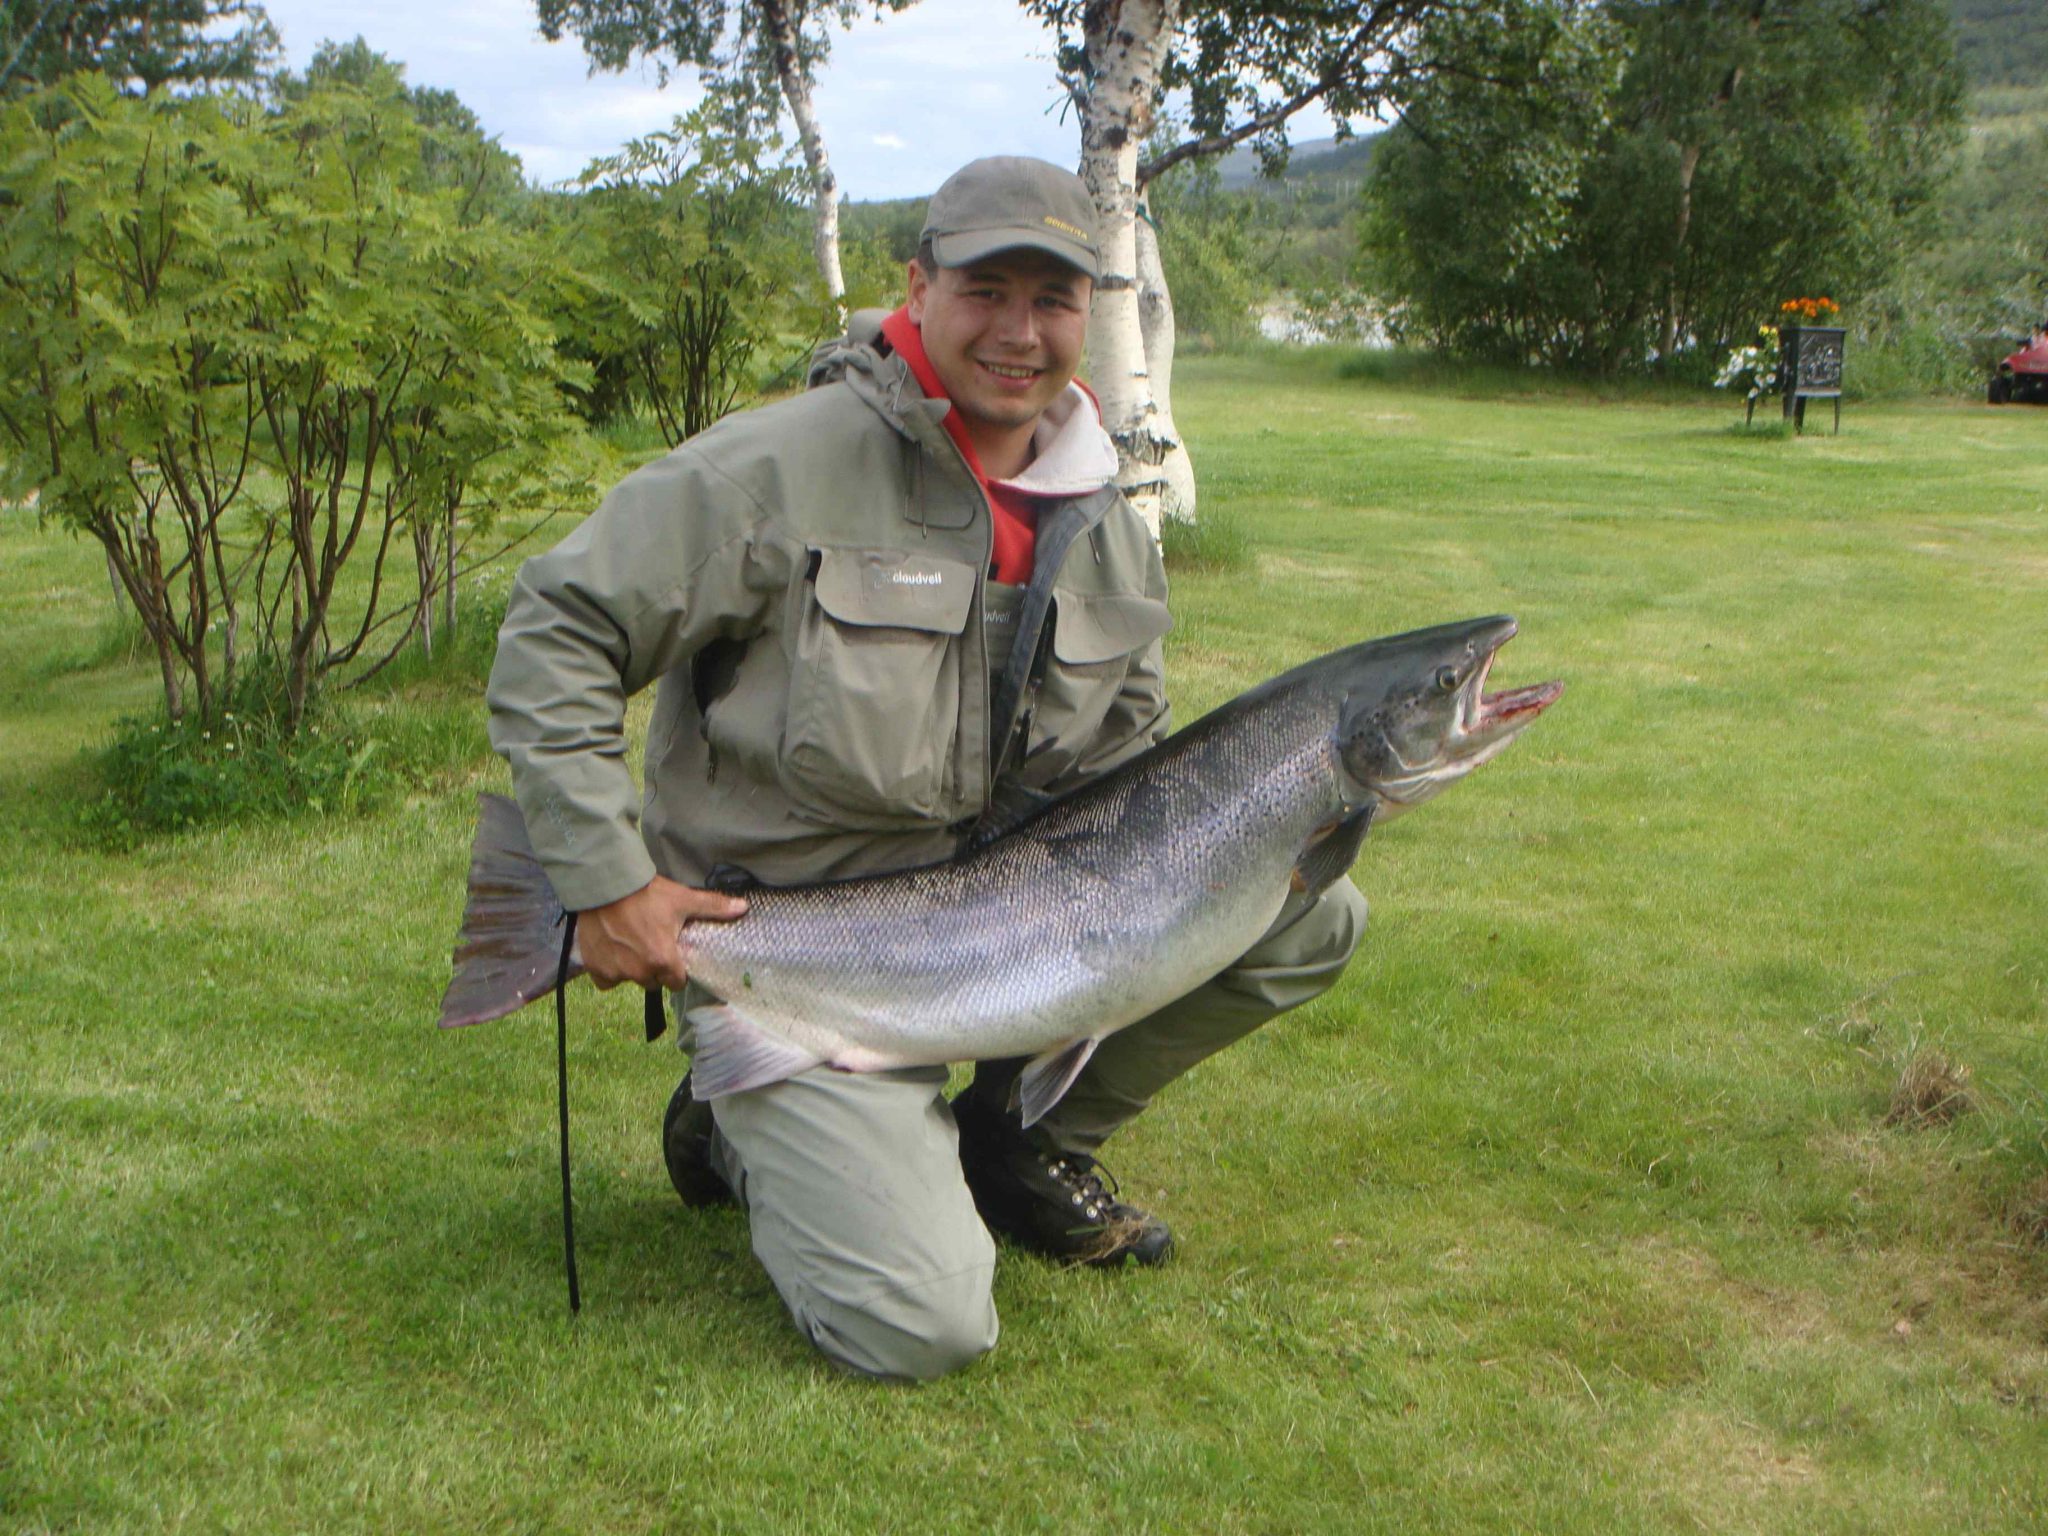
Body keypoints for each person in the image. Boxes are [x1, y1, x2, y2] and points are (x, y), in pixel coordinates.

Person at [486, 156, 1366, 1381]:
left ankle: (1006, 1140)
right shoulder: (780, 468)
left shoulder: (1105, 515)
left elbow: (1121, 768)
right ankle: (742, 1117)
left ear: (1088, 312)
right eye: (985, 289)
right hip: (785, 947)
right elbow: (557, 626)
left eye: (1054, 299)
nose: (1019, 331)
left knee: (1299, 904)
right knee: (922, 1325)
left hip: (1007, 934)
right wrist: (596, 876)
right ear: (918, 285)